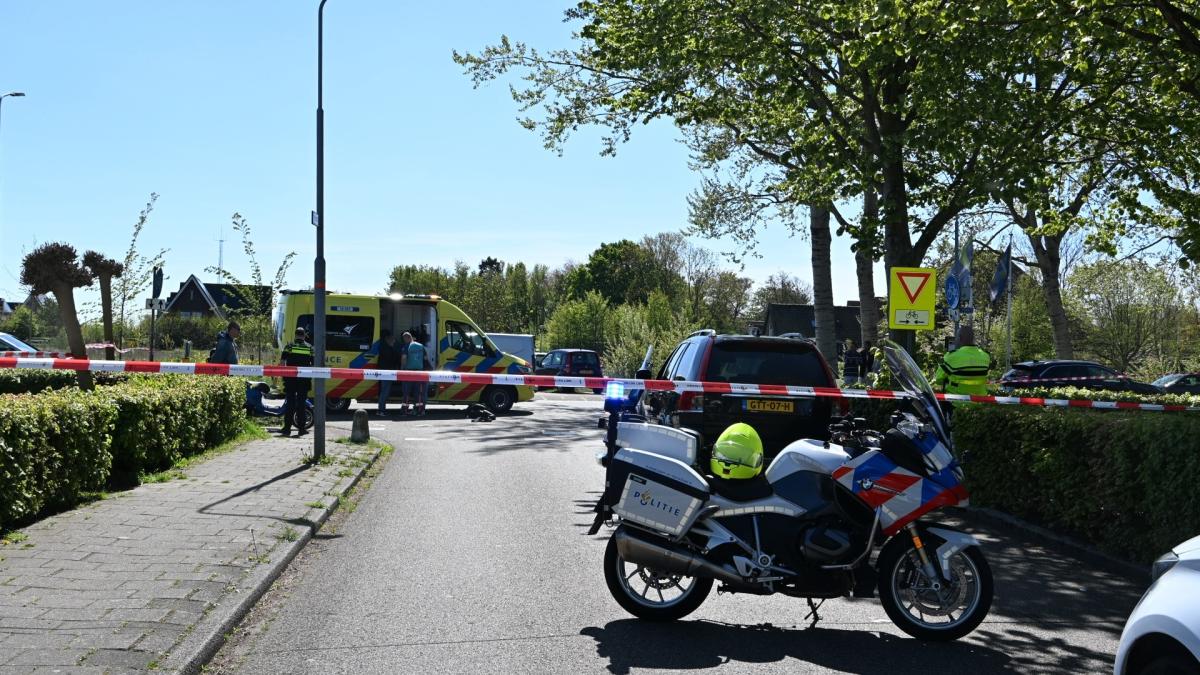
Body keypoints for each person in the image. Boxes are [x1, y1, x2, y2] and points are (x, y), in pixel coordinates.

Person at [933, 325, 992, 396]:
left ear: (959, 338)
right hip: (980, 400)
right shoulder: (985, 356)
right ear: (973, 338)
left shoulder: (952, 356)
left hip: (956, 400)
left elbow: (939, 380)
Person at [280, 327, 314, 435]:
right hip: (304, 380)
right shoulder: (309, 348)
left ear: (295, 335)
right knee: (301, 403)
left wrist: (284, 376)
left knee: (290, 403)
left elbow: (282, 363)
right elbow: (313, 364)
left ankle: (287, 429)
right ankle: (301, 429)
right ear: (304, 336)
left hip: (290, 379)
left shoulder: (289, 346)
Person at [401, 331, 430, 416]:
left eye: (404, 339)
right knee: (418, 392)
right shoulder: (421, 346)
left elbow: (404, 358)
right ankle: (419, 410)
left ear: (406, 338)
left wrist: (402, 368)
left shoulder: (406, 346)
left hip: (408, 372)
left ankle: (405, 410)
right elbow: (425, 358)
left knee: (406, 392)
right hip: (419, 373)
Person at [375, 330, 402, 416]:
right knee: (385, 392)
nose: (394, 342)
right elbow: (392, 359)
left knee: (384, 391)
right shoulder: (388, 349)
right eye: (393, 340)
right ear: (389, 340)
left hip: (384, 372)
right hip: (386, 373)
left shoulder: (384, 348)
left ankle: (381, 409)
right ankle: (381, 410)